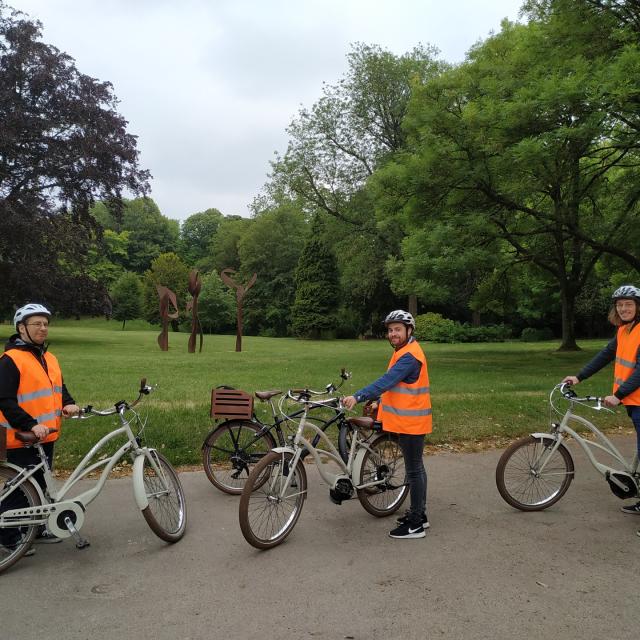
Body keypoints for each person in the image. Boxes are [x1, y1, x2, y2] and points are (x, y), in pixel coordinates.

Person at [344, 309, 432, 539]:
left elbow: (387, 381)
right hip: (409, 421)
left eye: (398, 329)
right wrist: (379, 403)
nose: (393, 334)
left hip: (412, 423)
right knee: (417, 468)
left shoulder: (409, 356)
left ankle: (416, 524)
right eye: (390, 330)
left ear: (409, 331)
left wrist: (360, 396)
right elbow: (398, 387)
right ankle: (419, 514)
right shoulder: (404, 351)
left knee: (414, 471)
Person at [0, 303, 80, 552]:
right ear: (21, 328)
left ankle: (34, 528)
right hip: (20, 436)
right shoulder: (10, 360)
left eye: (45, 324)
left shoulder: (49, 357)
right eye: (36, 323)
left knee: (40, 484)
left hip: (46, 435)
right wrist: (31, 425)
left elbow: (58, 388)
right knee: (19, 490)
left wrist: (68, 403)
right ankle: (8, 536)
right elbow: (4, 400)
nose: (43, 328)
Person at [562, 285, 640, 525]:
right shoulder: (623, 330)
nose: (624, 308)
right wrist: (579, 376)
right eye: (620, 305)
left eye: (629, 304)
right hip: (634, 402)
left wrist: (618, 394)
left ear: (638, 306)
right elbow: (605, 355)